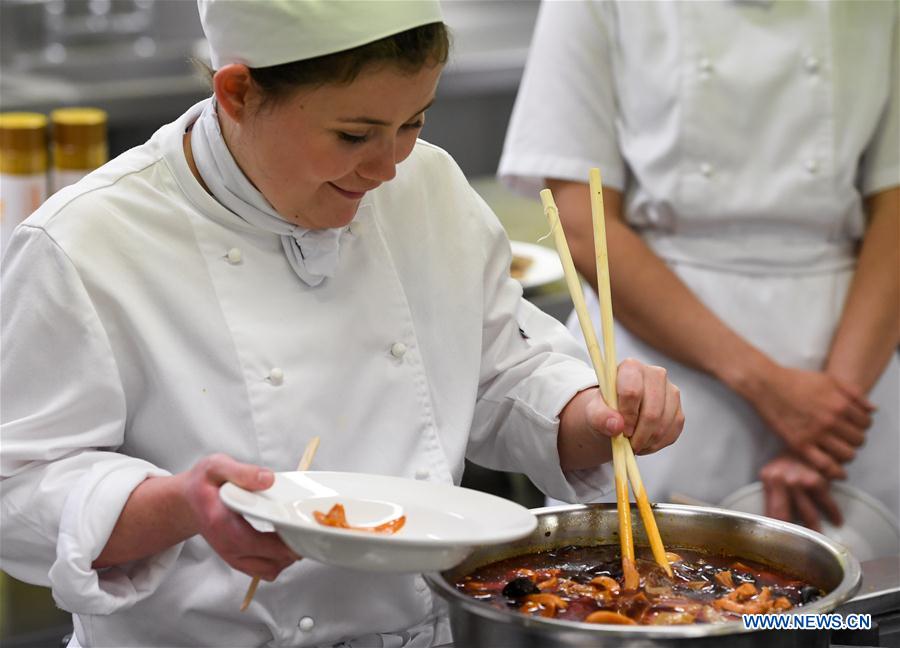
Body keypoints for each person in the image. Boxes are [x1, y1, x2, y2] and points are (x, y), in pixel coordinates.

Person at [0, 2, 685, 647]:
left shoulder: (429, 187)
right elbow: (18, 491)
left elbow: (502, 373)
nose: (387, 168)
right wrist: (178, 505)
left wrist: (594, 414)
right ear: (237, 92)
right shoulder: (88, 241)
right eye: (354, 135)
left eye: (413, 122)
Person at [499, 0, 898, 531]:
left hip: (852, 374)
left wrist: (831, 425)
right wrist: (772, 389)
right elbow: (581, 220)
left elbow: (894, 209)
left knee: (855, 586)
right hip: (661, 371)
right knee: (644, 577)